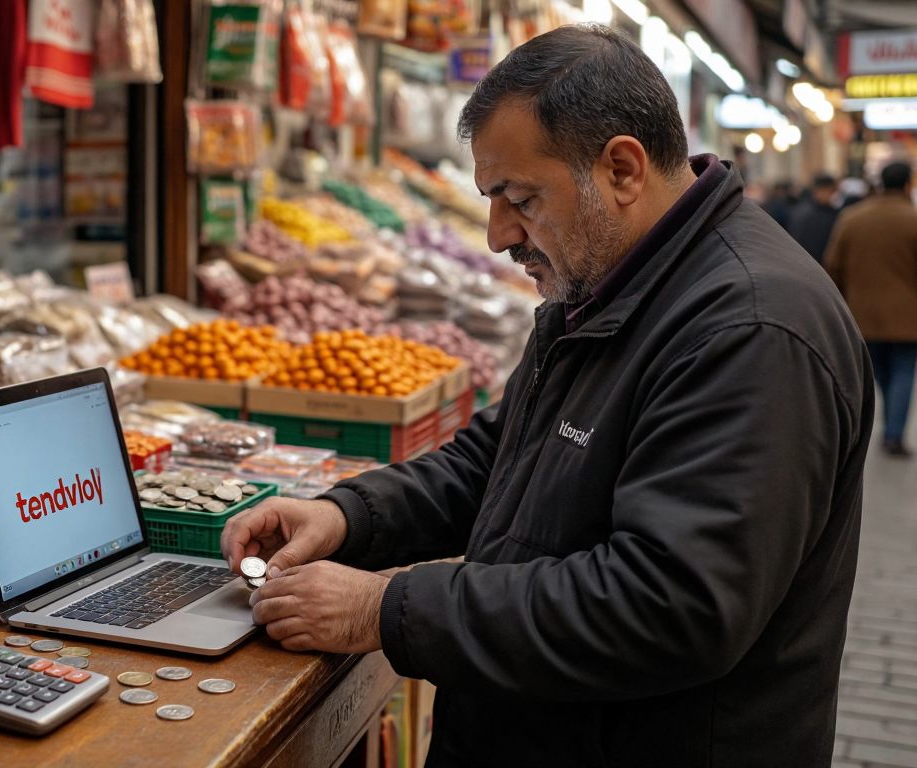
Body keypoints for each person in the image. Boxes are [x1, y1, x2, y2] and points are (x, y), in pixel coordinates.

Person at [223, 24, 870, 767]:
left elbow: (669, 608)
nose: (498, 235)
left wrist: (386, 607)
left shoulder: (750, 330)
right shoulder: (610, 286)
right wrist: (347, 515)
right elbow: (500, 460)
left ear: (622, 169)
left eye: (519, 198)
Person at [825, 161, 917, 458]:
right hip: (907, 316)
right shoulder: (912, 219)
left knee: (876, 371)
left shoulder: (852, 218)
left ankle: (879, 426)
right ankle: (893, 434)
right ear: (907, 185)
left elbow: (833, 265)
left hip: (861, 315)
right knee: (903, 372)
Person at [786, 173, 840, 264]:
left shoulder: (799, 209)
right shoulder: (818, 215)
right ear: (822, 190)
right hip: (815, 266)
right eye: (832, 191)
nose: (834, 195)